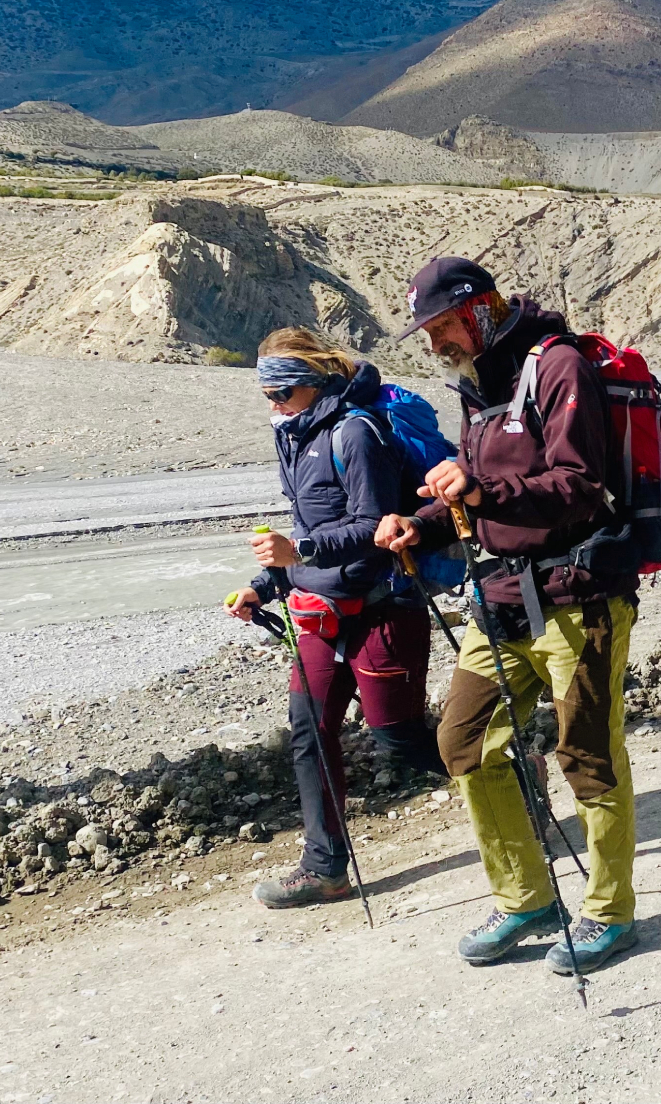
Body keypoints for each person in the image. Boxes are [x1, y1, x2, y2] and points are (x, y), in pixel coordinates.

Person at [374, 257, 641, 975]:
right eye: (428, 334)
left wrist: (480, 489)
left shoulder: (558, 367)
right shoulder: (480, 384)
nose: (434, 345)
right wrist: (421, 524)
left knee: (587, 756)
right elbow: (474, 492)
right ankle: (524, 895)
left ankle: (609, 912)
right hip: (497, 597)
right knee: (463, 741)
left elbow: (578, 485)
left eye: (440, 328)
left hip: (577, 597)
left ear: (480, 308)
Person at [224, 328, 446, 908]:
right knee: (310, 732)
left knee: (397, 739)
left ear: (317, 382)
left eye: (284, 392)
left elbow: (375, 528)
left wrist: (297, 556)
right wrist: (263, 586)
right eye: (267, 394)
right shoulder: (296, 437)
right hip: (321, 611)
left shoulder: (356, 432)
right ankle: (324, 868)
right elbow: (308, 532)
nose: (274, 405)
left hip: (384, 606)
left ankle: (517, 776)